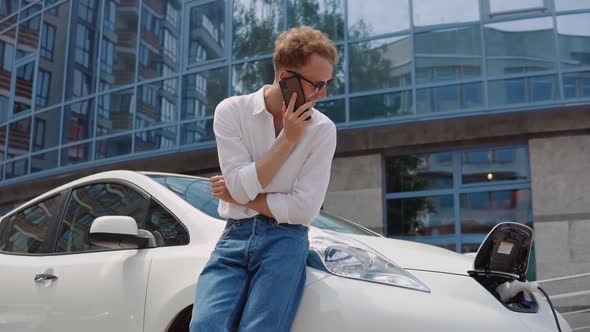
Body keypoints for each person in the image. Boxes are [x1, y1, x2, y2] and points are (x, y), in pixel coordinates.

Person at [189, 26, 338, 332]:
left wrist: (240, 196)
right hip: (234, 235)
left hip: (286, 239)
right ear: (286, 78)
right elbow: (239, 187)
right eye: (317, 85)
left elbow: (304, 210)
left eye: (328, 84)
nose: (323, 94)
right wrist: (288, 140)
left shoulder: (323, 130)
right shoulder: (231, 112)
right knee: (205, 325)